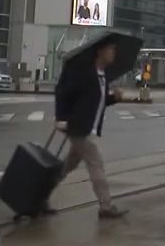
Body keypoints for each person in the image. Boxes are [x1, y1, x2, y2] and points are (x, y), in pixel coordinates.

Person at [52, 37, 128, 219]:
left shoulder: (103, 77)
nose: (113, 53)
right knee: (96, 165)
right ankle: (106, 206)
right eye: (111, 49)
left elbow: (96, 103)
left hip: (88, 128)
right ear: (100, 51)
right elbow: (63, 92)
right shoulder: (85, 74)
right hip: (79, 128)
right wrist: (60, 117)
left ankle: (40, 195)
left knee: (66, 167)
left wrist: (114, 98)